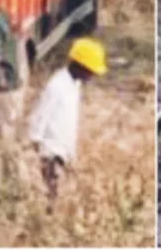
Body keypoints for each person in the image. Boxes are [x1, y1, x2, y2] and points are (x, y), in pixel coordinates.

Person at [28, 37, 107, 210]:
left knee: (59, 191)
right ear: (80, 66)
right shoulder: (56, 85)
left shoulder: (74, 85)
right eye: (90, 71)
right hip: (51, 150)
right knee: (52, 190)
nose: (92, 76)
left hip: (63, 149)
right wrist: (35, 141)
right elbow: (41, 114)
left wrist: (71, 152)